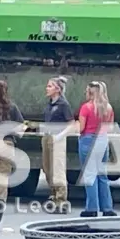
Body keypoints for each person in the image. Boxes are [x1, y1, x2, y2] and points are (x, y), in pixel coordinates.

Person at [77, 81, 117, 217]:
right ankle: (107, 208)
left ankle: (91, 208)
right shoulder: (109, 108)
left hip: (87, 140)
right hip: (102, 140)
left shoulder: (86, 108)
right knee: (102, 175)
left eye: (87, 90)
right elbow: (109, 128)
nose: (85, 93)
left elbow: (81, 128)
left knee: (89, 175)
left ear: (91, 92)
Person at [41, 76, 75, 213]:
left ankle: (61, 199)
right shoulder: (50, 104)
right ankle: (53, 194)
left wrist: (61, 135)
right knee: (47, 168)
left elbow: (72, 124)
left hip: (58, 138)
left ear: (58, 89)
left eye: (50, 86)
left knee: (58, 169)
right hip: (47, 136)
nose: (46, 88)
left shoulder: (63, 105)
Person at [0, 80, 25, 201]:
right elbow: (21, 126)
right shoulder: (12, 107)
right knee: (3, 176)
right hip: (8, 143)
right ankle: (0, 200)